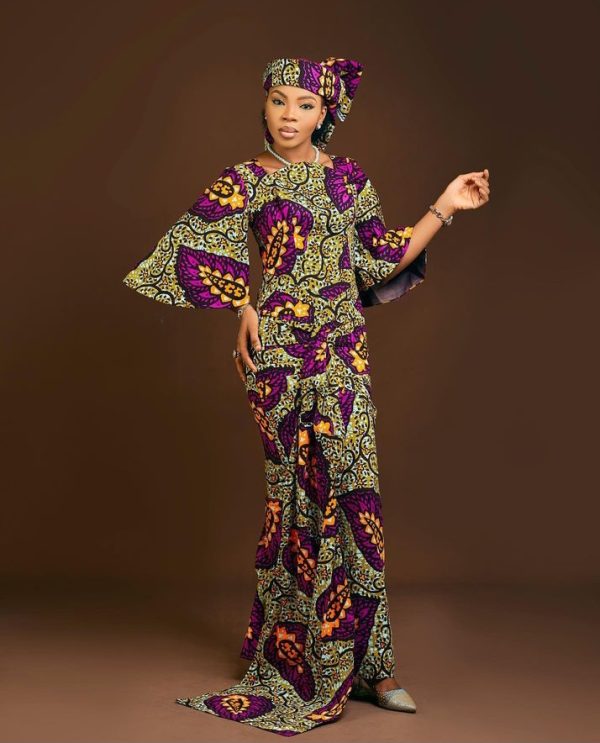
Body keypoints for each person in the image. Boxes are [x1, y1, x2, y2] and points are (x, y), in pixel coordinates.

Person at [122, 55, 490, 736]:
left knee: (356, 495)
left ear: (326, 114)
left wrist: (445, 204)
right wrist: (242, 305)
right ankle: (294, 659)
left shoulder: (349, 179)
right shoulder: (245, 179)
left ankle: (374, 667)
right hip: (281, 359)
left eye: (306, 104)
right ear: (263, 105)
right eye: (279, 100)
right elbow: (197, 248)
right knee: (296, 498)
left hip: (344, 354)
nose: (289, 115)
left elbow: (381, 257)